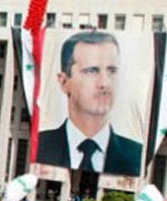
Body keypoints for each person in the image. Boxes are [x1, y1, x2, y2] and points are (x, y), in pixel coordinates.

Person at [36, 31, 142, 176]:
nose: (104, 83)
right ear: (64, 82)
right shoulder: (40, 146)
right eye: (92, 71)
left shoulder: (136, 156)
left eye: (112, 71)